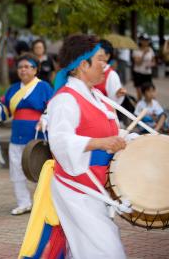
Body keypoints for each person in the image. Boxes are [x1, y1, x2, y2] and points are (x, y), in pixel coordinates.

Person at [48, 34, 127, 258]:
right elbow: (59, 141)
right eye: (100, 59)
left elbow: (111, 132)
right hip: (76, 187)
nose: (106, 65)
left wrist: (130, 141)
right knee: (107, 250)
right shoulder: (65, 99)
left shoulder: (97, 96)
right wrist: (101, 143)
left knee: (85, 249)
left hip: (96, 184)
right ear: (84, 64)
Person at [0, 53, 53, 215]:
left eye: (27, 66)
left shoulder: (44, 87)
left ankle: (42, 202)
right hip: (17, 135)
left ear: (35, 69)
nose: (23, 70)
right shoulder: (13, 89)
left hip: (37, 137)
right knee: (16, 169)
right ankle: (23, 202)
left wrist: (45, 119)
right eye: (20, 67)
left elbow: (53, 108)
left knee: (39, 168)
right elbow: (5, 110)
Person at [94, 39, 126, 104]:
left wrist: (117, 95)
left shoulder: (112, 75)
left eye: (99, 56)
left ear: (107, 56)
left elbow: (114, 102)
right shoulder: (89, 70)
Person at [133, 34, 156, 101]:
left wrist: (151, 65)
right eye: (144, 40)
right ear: (140, 41)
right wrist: (143, 54)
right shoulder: (136, 50)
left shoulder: (151, 50)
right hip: (138, 73)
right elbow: (137, 62)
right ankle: (139, 108)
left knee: (148, 92)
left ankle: (149, 108)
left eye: (147, 40)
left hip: (147, 73)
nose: (146, 42)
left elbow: (154, 62)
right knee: (139, 93)